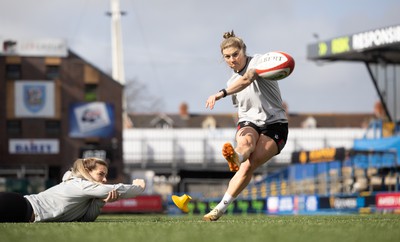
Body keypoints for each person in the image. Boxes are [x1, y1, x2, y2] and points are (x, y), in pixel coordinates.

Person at [204, 31, 289, 221]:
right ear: (223, 59)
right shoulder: (231, 81)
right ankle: (236, 155)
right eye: (227, 57)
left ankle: (220, 207)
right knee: (246, 143)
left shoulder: (259, 62)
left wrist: (221, 93)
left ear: (244, 51)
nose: (232, 59)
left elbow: (247, 79)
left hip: (275, 124)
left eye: (235, 54)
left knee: (249, 165)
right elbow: (243, 106)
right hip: (248, 121)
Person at [0, 157, 145, 222]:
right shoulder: (81, 185)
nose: (105, 180)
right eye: (101, 174)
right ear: (87, 172)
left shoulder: (88, 192)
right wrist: (138, 187)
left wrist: (100, 201)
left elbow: (87, 219)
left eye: (105, 176)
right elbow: (118, 188)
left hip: (21, 211)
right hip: (17, 206)